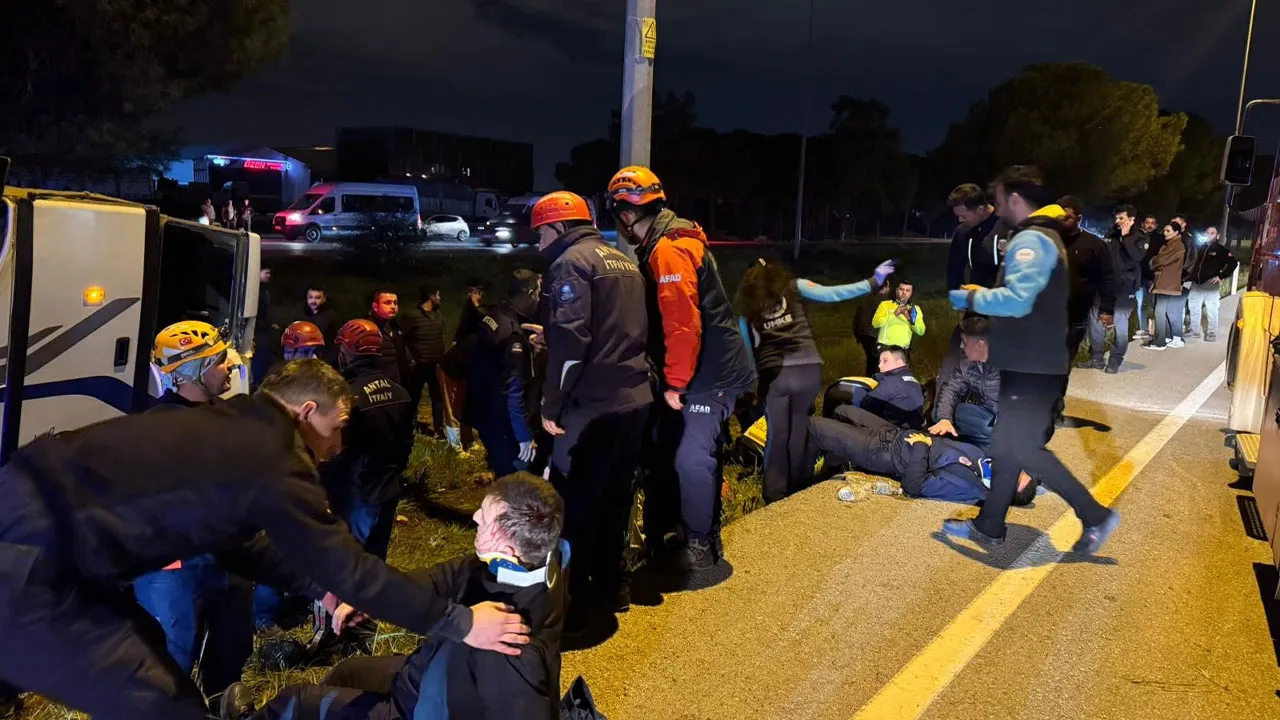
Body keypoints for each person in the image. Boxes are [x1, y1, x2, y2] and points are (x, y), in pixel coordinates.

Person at [0, 360, 529, 720]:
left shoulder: (230, 429)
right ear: (305, 412)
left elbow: (233, 541)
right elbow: (352, 569)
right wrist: (461, 623)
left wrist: (319, 589)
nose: (339, 445)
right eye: (338, 426)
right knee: (158, 704)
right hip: (31, 567)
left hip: (42, 535)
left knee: (152, 668)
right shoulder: (275, 459)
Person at [221, 473, 566, 720]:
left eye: (485, 516)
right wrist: (370, 596)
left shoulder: (512, 643)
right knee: (347, 672)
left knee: (292, 702)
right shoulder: (518, 562)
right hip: (427, 670)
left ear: (507, 545)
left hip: (420, 706)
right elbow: (439, 578)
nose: (474, 516)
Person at [944, 165, 1119, 553]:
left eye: (1001, 198)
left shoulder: (1033, 242)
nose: (997, 206)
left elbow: (1018, 300)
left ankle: (1094, 514)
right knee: (1008, 448)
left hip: (1033, 366)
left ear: (1016, 199)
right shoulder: (1039, 238)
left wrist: (971, 298)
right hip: (1029, 362)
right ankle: (990, 526)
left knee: (1022, 449)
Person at [608, 165, 755, 573]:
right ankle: (686, 532)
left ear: (625, 212)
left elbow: (682, 325)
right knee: (684, 452)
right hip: (706, 366)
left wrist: (674, 383)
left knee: (692, 458)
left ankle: (700, 546)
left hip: (707, 373)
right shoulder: (669, 241)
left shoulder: (668, 250)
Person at [530, 191, 652, 623]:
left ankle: (575, 610)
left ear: (560, 227)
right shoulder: (623, 260)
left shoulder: (571, 263)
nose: (538, 241)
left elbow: (571, 344)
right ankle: (614, 587)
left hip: (592, 407)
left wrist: (551, 404)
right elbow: (618, 329)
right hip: (635, 398)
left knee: (576, 506)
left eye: (541, 232)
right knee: (617, 497)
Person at [133, 322, 252, 703]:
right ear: (193, 371)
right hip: (174, 569)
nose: (230, 367)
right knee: (168, 665)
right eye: (220, 361)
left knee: (230, 654)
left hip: (227, 560)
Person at [736, 258, 895, 503]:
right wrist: (873, 281)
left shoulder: (748, 312)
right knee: (800, 428)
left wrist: (752, 390)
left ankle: (774, 495)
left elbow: (748, 357)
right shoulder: (796, 287)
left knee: (777, 435)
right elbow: (833, 294)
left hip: (775, 374)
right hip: (807, 369)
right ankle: (798, 488)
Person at [809, 406, 1037, 505]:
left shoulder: (968, 487)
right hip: (894, 433)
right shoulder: (984, 461)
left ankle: (799, 479)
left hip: (884, 452)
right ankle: (832, 463)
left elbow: (915, 485)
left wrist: (920, 446)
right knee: (842, 411)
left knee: (812, 426)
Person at [323, 320, 415, 560]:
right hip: (388, 488)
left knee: (351, 559)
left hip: (356, 492)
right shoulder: (400, 393)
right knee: (376, 558)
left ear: (347, 353)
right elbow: (406, 443)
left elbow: (338, 452)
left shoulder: (347, 397)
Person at [465, 271, 542, 477]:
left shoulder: (495, 316)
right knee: (514, 483)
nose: (538, 300)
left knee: (502, 475)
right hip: (505, 424)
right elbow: (513, 391)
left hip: (486, 413)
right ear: (529, 293)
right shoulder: (512, 334)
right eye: (538, 294)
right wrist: (524, 436)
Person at [1056, 195, 1115, 424]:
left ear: (1079, 218)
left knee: (1061, 365)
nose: (1062, 221)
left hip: (1075, 317)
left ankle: (1054, 407)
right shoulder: (1046, 242)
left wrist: (1106, 308)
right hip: (1043, 318)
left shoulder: (1094, 245)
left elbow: (1107, 278)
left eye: (1067, 217)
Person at [1082, 205, 1148, 373]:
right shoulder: (1110, 234)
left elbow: (1136, 257)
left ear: (1132, 220)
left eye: (1122, 219)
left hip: (1125, 288)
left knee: (1120, 326)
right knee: (1095, 321)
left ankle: (1115, 359)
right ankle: (1096, 358)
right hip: (1104, 285)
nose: (1118, 222)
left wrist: (1126, 237)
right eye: (1116, 218)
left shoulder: (1141, 238)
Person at [928, 316, 999, 451]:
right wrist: (944, 418)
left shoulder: (1007, 364)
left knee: (987, 427)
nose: (961, 346)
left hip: (1015, 421)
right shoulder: (967, 363)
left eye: (965, 342)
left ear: (980, 344)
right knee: (960, 411)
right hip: (988, 415)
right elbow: (951, 388)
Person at [403, 286, 448, 437]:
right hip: (418, 366)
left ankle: (439, 428)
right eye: (438, 295)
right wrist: (410, 359)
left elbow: (441, 339)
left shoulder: (439, 316)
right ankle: (411, 427)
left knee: (438, 398)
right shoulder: (413, 316)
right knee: (413, 397)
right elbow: (404, 340)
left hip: (435, 365)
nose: (440, 298)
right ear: (431, 296)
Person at [946, 183, 1005, 291]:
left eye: (963, 216)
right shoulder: (963, 231)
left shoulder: (1006, 226)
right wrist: (957, 294)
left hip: (1004, 302)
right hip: (975, 302)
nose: (960, 220)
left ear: (980, 210)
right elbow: (954, 269)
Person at [1185, 226, 1237, 342]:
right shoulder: (1199, 248)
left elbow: (1233, 264)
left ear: (1217, 236)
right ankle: (1194, 331)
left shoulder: (1221, 250)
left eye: (1212, 233)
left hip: (1210, 284)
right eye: (1207, 232)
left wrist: (1221, 276)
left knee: (1212, 309)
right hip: (1196, 283)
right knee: (1194, 308)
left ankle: (1212, 333)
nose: (1209, 235)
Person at [1143, 221, 1188, 351]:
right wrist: (1156, 262)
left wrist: (1155, 261)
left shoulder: (1177, 246)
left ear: (1176, 232)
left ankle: (1160, 342)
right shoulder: (1169, 245)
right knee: (1162, 311)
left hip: (1166, 283)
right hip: (1163, 281)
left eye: (1168, 231)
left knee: (1160, 312)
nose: (1165, 233)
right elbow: (1157, 260)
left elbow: (1161, 260)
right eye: (1164, 230)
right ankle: (1165, 337)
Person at [859, 345, 924, 429]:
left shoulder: (891, 380)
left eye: (885, 361)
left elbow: (865, 404)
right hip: (913, 430)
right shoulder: (914, 381)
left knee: (843, 410)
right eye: (879, 362)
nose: (879, 365)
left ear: (899, 363)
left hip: (890, 433)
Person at [367, 288, 413, 384]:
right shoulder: (367, 329)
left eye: (395, 303)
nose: (393, 306)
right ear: (375, 307)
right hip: (379, 385)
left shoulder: (397, 327)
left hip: (399, 383)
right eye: (387, 303)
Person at [872, 279, 925, 349]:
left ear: (911, 293)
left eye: (907, 290)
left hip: (903, 350)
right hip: (885, 347)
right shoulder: (885, 305)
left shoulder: (915, 309)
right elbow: (875, 323)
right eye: (901, 289)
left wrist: (909, 319)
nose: (904, 293)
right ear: (896, 290)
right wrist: (894, 314)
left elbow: (921, 331)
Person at [295, 285, 340, 362]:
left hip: (322, 360)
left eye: (317, 298)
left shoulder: (331, 317)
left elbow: (335, 342)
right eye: (310, 297)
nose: (313, 301)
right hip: (301, 358)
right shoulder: (299, 315)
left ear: (324, 299)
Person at [853, 282, 890, 377]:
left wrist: (857, 335)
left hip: (862, 334)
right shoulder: (883, 301)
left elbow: (856, 319)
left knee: (872, 359)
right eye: (888, 286)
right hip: (872, 334)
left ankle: (869, 380)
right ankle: (875, 383)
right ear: (885, 287)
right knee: (877, 360)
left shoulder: (866, 299)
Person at [1135, 213, 1160, 341]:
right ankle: (1143, 329)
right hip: (1139, 278)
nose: (1150, 225)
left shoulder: (1159, 239)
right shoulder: (1137, 237)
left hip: (1153, 278)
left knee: (1155, 305)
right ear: (1143, 224)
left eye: (1152, 223)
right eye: (1147, 222)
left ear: (1155, 226)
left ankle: (1157, 330)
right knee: (1141, 305)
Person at [250, 267, 276, 389]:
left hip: (262, 329)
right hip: (258, 331)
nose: (268, 275)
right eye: (266, 272)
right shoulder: (254, 291)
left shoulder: (264, 290)